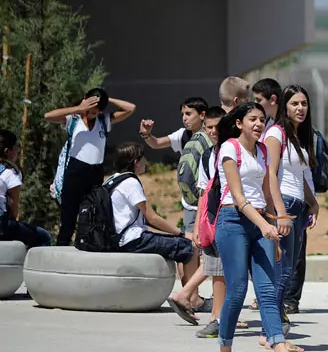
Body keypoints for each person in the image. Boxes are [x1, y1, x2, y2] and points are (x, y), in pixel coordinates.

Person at [213, 101, 311, 352]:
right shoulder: (229, 148)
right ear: (239, 123)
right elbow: (239, 197)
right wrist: (266, 226)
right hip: (232, 221)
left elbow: (268, 192)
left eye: (261, 120)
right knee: (238, 290)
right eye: (252, 119)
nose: (258, 125)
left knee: (268, 289)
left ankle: (280, 350)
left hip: (261, 223)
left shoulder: (263, 151)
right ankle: (225, 351)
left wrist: (278, 220)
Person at [139, 96, 210, 314]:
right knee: (190, 248)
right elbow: (157, 143)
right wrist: (146, 135)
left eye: (188, 114)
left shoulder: (213, 134)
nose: (184, 119)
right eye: (183, 114)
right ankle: (192, 297)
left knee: (201, 249)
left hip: (207, 201)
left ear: (202, 115)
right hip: (191, 205)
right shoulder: (183, 135)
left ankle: (190, 296)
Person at [45, 88, 136, 246]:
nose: (89, 114)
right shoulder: (72, 120)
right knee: (68, 217)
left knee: (92, 215)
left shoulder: (103, 120)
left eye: (93, 112)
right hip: (75, 171)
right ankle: (61, 247)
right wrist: (79, 108)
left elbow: (131, 108)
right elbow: (48, 116)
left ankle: (86, 246)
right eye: (88, 110)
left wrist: (107, 99)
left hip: (95, 173)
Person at [263, 85, 320, 335]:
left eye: (304, 104)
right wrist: (281, 212)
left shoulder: (298, 136)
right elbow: (271, 174)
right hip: (284, 205)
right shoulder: (276, 133)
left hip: (297, 204)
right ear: (284, 106)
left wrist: (313, 202)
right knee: (282, 268)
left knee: (288, 268)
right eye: (295, 103)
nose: (300, 108)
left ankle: (275, 321)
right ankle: (273, 325)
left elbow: (299, 176)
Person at [105, 142, 194, 263]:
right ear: (136, 162)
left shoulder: (112, 179)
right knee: (188, 246)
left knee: (176, 242)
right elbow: (151, 217)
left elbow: (146, 220)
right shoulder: (130, 182)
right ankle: (189, 283)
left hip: (115, 238)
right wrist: (182, 233)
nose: (146, 161)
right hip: (131, 240)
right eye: (143, 158)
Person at [191, 107, 229, 339]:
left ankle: (274, 321)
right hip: (216, 220)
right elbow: (204, 194)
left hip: (241, 218)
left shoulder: (237, 149)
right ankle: (217, 319)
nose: (214, 131)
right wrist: (198, 226)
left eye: (218, 126)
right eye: (209, 127)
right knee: (217, 272)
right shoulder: (207, 156)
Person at [0, 130, 51, 248]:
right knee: (44, 237)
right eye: (16, 147)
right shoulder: (11, 173)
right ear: (7, 151)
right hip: (2, 227)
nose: (18, 150)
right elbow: (14, 209)